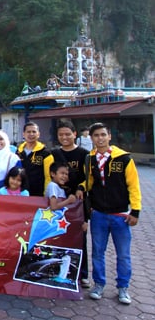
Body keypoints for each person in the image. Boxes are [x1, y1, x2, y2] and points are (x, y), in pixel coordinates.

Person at [86, 122, 142, 305]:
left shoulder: (124, 158)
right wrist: (80, 188)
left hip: (120, 214)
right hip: (99, 214)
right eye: (96, 135)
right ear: (91, 138)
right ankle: (99, 284)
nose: (100, 138)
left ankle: (123, 287)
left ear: (109, 136)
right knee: (97, 252)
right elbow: (89, 182)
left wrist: (135, 211)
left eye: (103, 135)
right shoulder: (90, 158)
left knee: (123, 253)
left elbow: (133, 186)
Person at [50, 120, 90, 287]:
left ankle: (83, 274)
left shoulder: (84, 154)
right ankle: (58, 271)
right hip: (59, 201)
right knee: (58, 237)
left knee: (80, 237)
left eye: (68, 134)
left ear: (75, 134)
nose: (64, 137)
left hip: (78, 202)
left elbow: (90, 178)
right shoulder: (53, 153)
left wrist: (81, 187)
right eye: (61, 135)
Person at [16, 121, 53, 196]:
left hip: (39, 194)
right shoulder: (18, 152)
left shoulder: (46, 153)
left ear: (38, 134)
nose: (31, 134)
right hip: (21, 193)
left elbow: (48, 176)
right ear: (23, 134)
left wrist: (46, 194)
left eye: (34, 132)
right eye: (28, 132)